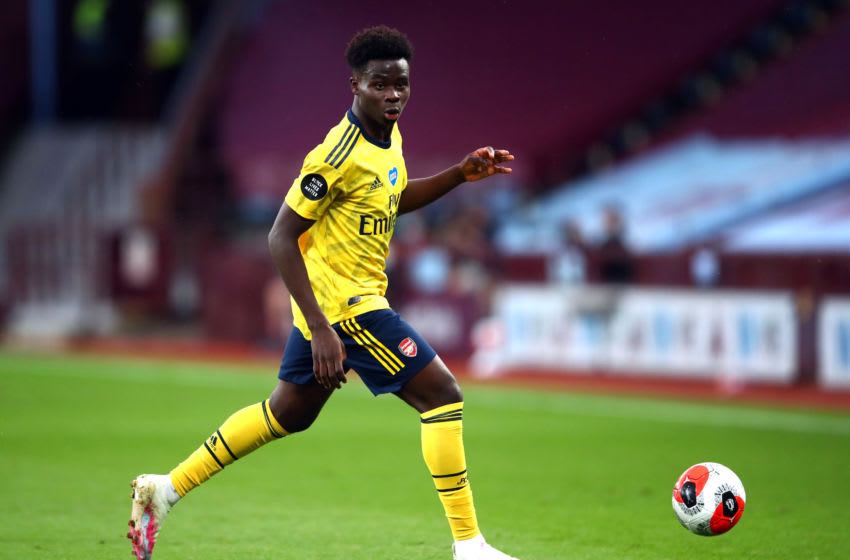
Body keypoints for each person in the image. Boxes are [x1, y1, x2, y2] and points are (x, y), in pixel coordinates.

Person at [127, 25, 518, 560]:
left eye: (401, 84)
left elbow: (391, 198)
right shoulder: (335, 154)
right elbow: (280, 235)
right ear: (355, 83)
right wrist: (320, 328)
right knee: (442, 396)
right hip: (345, 308)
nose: (393, 95)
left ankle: (164, 488)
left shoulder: (388, 135)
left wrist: (457, 175)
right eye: (381, 84)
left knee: (288, 412)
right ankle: (469, 546)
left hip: (341, 303)